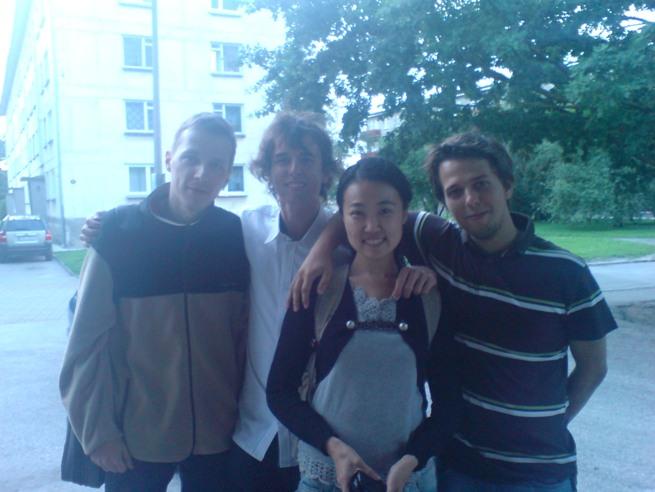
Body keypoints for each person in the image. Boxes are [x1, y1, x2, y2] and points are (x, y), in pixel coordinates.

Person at [79, 112, 437, 492]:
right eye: (282, 159)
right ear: (267, 170)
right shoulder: (246, 229)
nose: (294, 169)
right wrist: (110, 222)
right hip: (252, 433)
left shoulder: (349, 238)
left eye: (307, 158)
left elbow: (383, 228)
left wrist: (412, 270)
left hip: (322, 439)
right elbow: (180, 223)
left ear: (326, 170)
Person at [291, 132, 617, 491]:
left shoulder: (566, 271)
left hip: (538, 473)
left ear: (507, 185)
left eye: (481, 184)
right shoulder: (437, 241)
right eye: (455, 191)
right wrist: (320, 251)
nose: (471, 200)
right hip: (457, 463)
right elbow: (362, 206)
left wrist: (552, 423)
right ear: (444, 201)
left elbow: (593, 367)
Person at [60, 113, 250, 491]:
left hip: (218, 435)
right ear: (168, 159)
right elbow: (84, 345)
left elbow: (245, 338)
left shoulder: (234, 237)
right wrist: (97, 434)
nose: (202, 173)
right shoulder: (118, 233)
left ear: (227, 174)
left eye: (216, 165)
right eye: (190, 158)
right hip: (135, 438)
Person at [267, 157, 442, 492]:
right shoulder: (317, 289)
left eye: (385, 211)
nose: (372, 226)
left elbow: (449, 403)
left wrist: (413, 459)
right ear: (342, 218)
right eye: (358, 213)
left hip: (409, 482)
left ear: (403, 214)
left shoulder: (427, 295)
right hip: (325, 479)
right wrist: (332, 446)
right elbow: (280, 392)